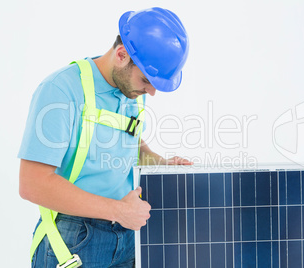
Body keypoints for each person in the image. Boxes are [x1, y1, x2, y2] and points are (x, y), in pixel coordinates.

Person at [18, 7, 191, 268]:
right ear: (122, 55)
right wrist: (118, 210)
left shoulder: (132, 91)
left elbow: (132, 145)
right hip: (74, 238)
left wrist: (162, 164)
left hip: (127, 236)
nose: (151, 92)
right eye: (146, 80)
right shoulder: (60, 91)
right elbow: (32, 184)